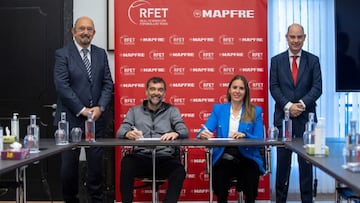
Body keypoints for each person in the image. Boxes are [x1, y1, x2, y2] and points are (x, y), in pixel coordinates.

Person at [54, 16, 113, 203]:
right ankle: (71, 200)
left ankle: (96, 199)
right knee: (68, 168)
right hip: (70, 120)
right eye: (82, 29)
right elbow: (62, 86)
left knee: (96, 167)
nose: (85, 32)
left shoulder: (100, 54)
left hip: (96, 120)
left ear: (94, 33)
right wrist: (82, 109)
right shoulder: (62, 54)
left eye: (89, 29)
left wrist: (100, 108)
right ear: (73, 31)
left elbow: (107, 84)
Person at [269, 23, 322, 203]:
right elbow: (274, 88)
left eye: (299, 37)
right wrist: (288, 106)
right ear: (286, 37)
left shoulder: (313, 60)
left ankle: (307, 200)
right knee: (282, 167)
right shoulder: (276, 61)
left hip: (306, 120)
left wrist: (300, 104)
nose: (296, 41)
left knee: (306, 166)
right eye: (292, 37)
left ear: (304, 38)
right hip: (284, 121)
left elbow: (317, 88)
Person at [117, 76, 189, 203]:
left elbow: (184, 131)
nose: (156, 93)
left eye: (160, 90)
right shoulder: (134, 111)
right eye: (153, 89)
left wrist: (176, 133)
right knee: (127, 163)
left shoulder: (172, 110)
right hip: (141, 157)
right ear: (146, 92)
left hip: (164, 157)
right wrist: (128, 133)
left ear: (164, 93)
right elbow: (120, 132)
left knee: (179, 171)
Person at [197, 74, 265, 203]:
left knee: (251, 174)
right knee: (221, 175)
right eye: (234, 87)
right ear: (229, 90)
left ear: (246, 92)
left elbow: (260, 139)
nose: (237, 91)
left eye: (241, 88)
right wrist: (202, 134)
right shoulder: (219, 109)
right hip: (225, 155)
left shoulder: (254, 111)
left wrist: (246, 135)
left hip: (247, 156)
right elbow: (203, 131)